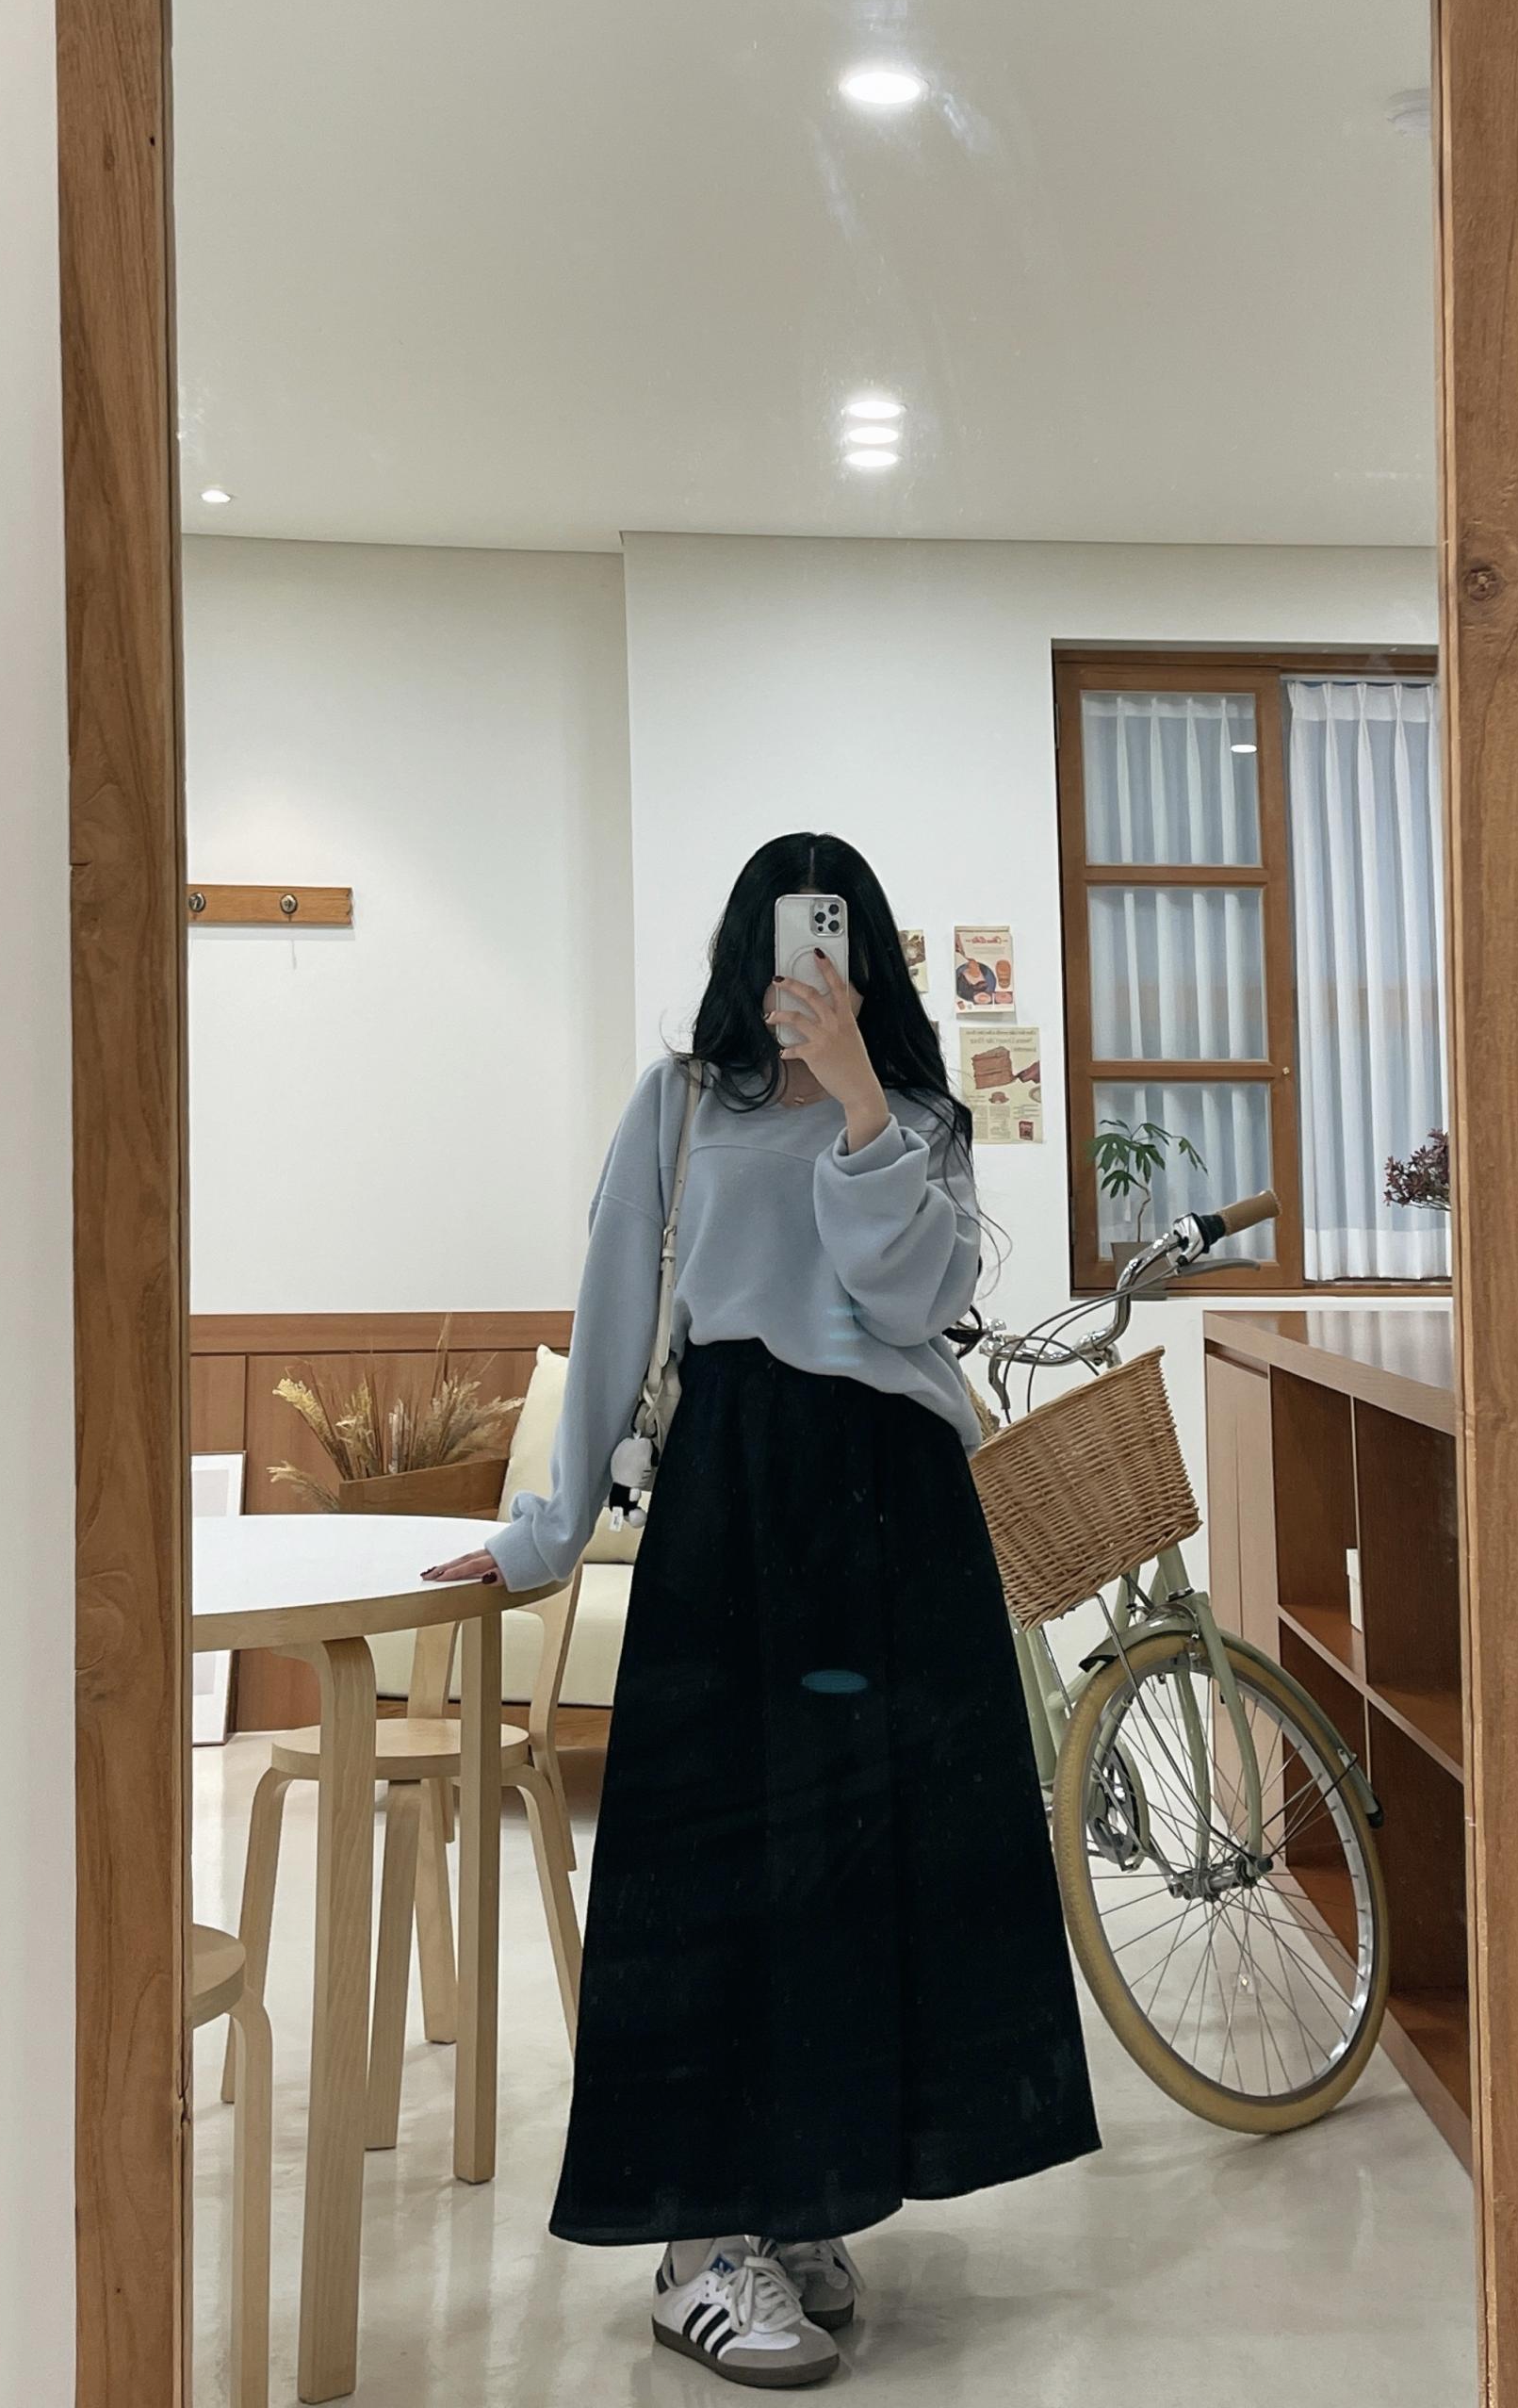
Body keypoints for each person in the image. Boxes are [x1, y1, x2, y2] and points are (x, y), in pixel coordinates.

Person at [425, 832, 1099, 2389]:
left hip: (898, 1515)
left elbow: (914, 1304)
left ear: (867, 952)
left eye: (839, 930)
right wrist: (546, 1533)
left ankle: (803, 2199)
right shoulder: (678, 1104)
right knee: (713, 1863)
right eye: (795, 928)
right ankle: (694, 2245)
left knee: (866, 1867)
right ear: (754, 942)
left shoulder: (918, 1116)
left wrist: (860, 1102)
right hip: (738, 1500)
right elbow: (614, 1307)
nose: (813, 953)